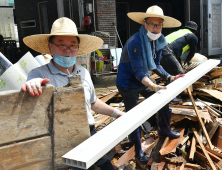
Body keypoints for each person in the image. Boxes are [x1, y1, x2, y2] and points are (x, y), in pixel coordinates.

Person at [21, 17, 124, 170]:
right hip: (59, 138)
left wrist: (116, 113)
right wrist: (32, 84)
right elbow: (31, 88)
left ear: (78, 48)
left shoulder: (83, 72)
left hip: (88, 134)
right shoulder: (39, 74)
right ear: (50, 48)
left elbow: (93, 103)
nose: (67, 50)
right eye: (61, 45)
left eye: (72, 45)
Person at [116, 5, 185, 164]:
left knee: (163, 99)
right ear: (144, 24)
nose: (156, 28)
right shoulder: (135, 42)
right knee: (133, 117)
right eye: (152, 24)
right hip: (127, 83)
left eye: (159, 24)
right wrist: (153, 86)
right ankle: (138, 151)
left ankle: (164, 129)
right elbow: (138, 71)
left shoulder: (159, 41)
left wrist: (170, 77)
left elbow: (156, 65)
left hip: (143, 79)